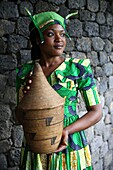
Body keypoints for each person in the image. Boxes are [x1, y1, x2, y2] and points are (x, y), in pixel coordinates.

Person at [16, 9, 102, 170]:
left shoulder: (78, 68)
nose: (59, 39)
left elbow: (96, 112)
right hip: (36, 142)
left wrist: (66, 131)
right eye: (50, 34)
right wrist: (28, 99)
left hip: (69, 143)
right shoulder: (26, 72)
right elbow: (19, 117)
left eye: (62, 34)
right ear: (37, 39)